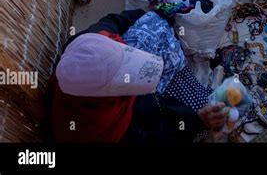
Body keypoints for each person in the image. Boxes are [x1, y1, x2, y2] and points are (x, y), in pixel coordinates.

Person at [44, 9, 226, 143]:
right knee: (198, 112)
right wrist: (198, 120)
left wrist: (153, 10)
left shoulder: (89, 43)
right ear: (109, 94)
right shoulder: (107, 130)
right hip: (146, 117)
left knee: (153, 20)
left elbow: (115, 19)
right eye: (125, 78)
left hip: (135, 102)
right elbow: (160, 137)